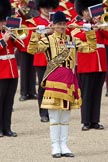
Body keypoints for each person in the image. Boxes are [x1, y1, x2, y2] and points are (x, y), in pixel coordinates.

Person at [27, 11, 82, 158]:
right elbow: (31, 50)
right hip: (54, 79)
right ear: (53, 25)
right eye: (58, 24)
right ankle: (55, 146)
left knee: (65, 116)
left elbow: (90, 48)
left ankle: (64, 145)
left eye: (63, 24)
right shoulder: (48, 39)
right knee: (54, 116)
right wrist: (35, 34)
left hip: (69, 80)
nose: (61, 27)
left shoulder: (72, 39)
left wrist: (90, 32)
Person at [71, 0, 108, 131]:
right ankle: (86, 121)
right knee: (86, 93)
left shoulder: (99, 23)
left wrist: (101, 25)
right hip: (86, 64)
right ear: (81, 11)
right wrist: (90, 29)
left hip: (100, 64)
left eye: (90, 11)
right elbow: (76, 36)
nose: (88, 13)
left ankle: (95, 120)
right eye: (86, 11)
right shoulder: (77, 25)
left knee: (97, 93)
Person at [0, 0, 24, 137]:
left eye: (4, 21)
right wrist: (3, 40)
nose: (3, 24)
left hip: (12, 72)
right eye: (1, 22)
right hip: (1, 73)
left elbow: (22, 47)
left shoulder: (9, 34)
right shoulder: (3, 37)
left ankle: (7, 128)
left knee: (9, 102)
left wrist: (13, 37)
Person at [33, 0, 59, 122]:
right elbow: (31, 39)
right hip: (42, 59)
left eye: (49, 7)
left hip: (56, 58)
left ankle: (54, 109)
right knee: (43, 87)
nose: (47, 9)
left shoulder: (57, 19)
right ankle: (43, 113)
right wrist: (46, 33)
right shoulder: (35, 21)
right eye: (44, 7)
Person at [15, 0, 38, 101]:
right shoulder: (17, 9)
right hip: (23, 41)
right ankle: (24, 92)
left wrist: (27, 12)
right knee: (24, 69)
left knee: (33, 68)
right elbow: (14, 23)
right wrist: (18, 13)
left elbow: (35, 18)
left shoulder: (33, 7)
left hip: (32, 39)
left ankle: (32, 91)